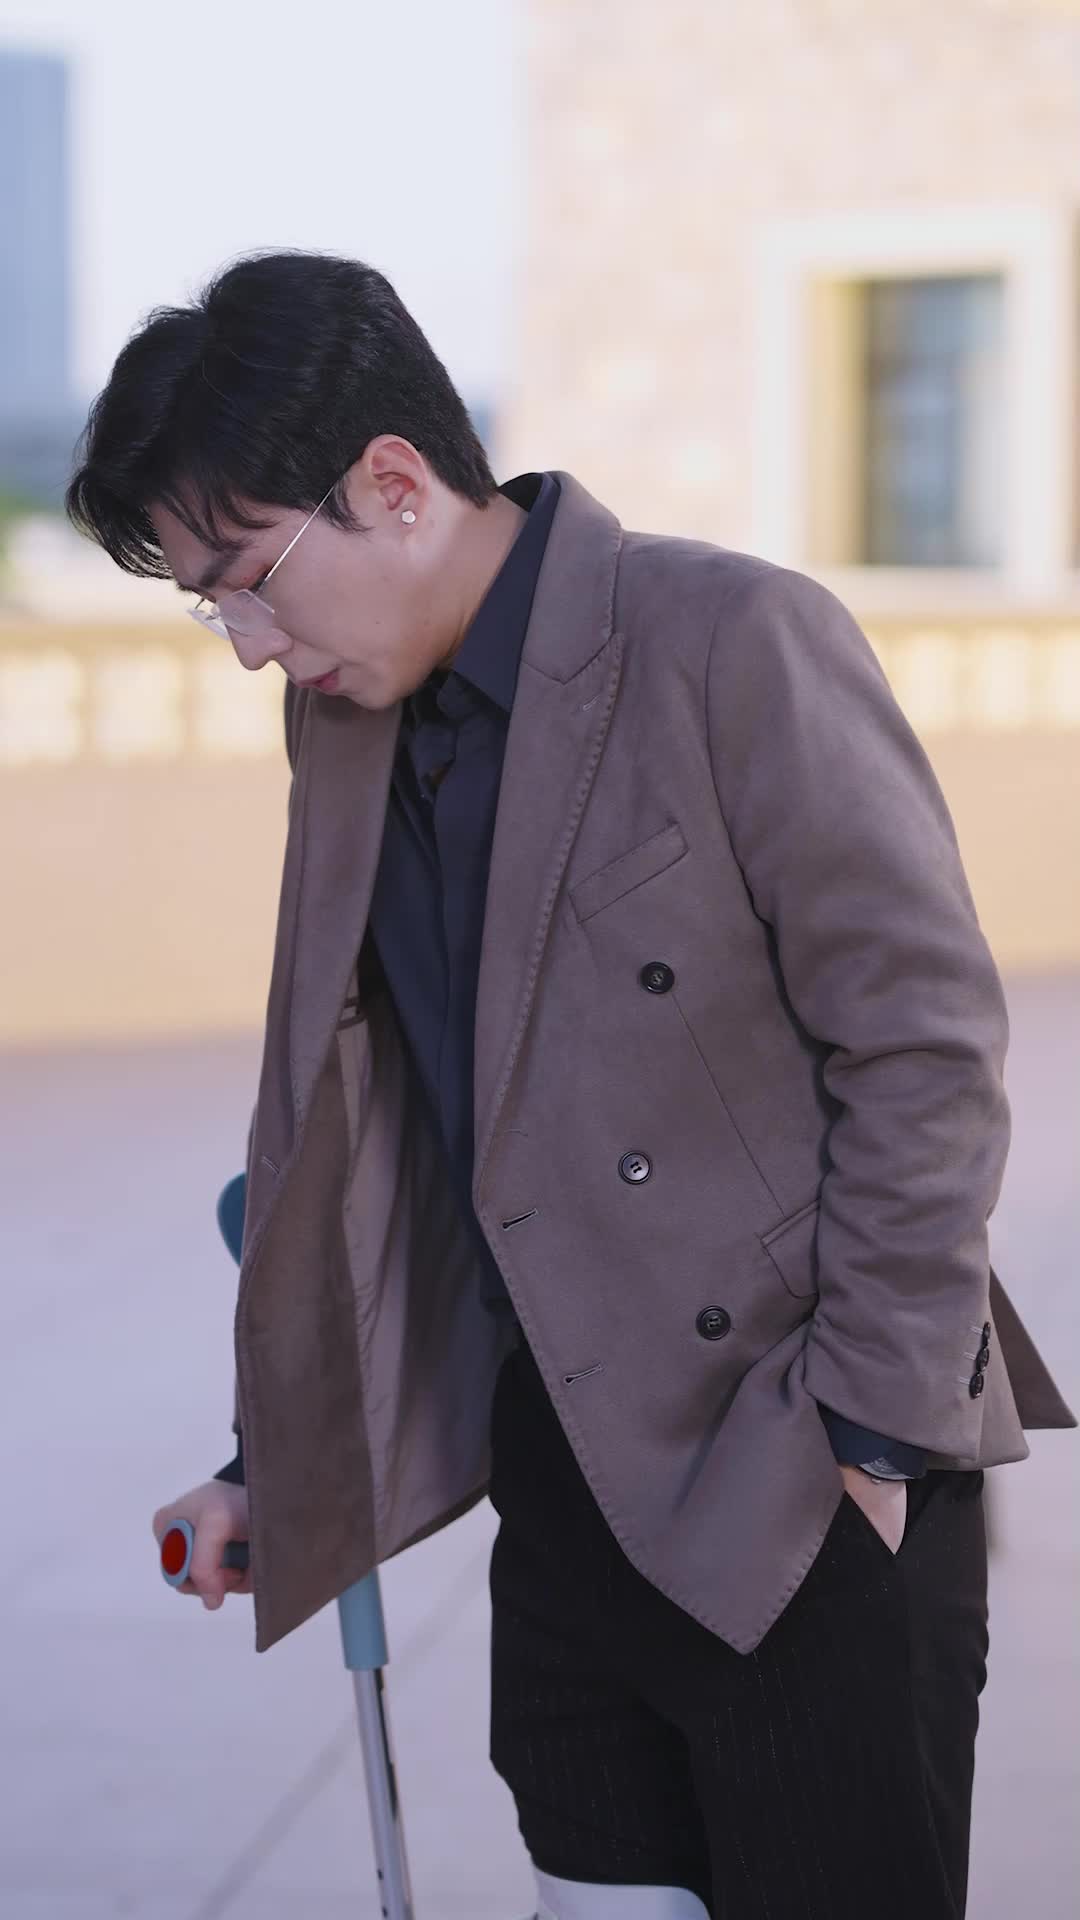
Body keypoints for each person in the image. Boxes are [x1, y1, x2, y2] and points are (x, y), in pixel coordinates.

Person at [67, 251, 1075, 1920]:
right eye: (208, 605)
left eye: (250, 580)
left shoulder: (729, 636)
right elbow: (365, 1122)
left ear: (394, 485)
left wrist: (872, 1441)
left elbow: (924, 1044)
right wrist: (272, 1451)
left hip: (804, 1469)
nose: (246, 647)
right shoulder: (349, 725)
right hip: (564, 1485)